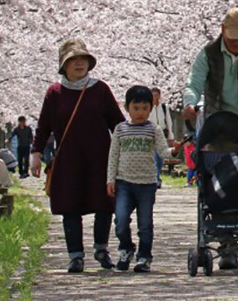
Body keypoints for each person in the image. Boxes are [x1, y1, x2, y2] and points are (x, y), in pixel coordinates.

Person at [182, 6, 238, 267]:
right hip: (219, 127)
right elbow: (194, 81)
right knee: (221, 181)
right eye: (233, 41)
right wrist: (190, 102)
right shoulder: (208, 52)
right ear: (223, 31)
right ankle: (226, 246)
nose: (237, 46)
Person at [31, 39, 125, 274]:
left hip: (99, 157)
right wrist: (35, 152)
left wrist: (131, 146)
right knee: (69, 205)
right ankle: (75, 256)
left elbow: (118, 122)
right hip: (68, 159)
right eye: (73, 60)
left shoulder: (100, 89)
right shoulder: (54, 92)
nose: (79, 63)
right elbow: (43, 126)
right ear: (64, 65)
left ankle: (101, 249)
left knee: (104, 203)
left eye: (82, 58)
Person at [107, 85, 171, 273]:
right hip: (124, 182)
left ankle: (144, 257)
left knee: (145, 223)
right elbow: (113, 156)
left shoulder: (154, 129)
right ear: (127, 108)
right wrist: (110, 180)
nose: (140, 113)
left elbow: (162, 151)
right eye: (136, 108)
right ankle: (126, 248)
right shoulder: (120, 129)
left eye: (145, 108)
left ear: (151, 109)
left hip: (146, 184)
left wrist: (173, 151)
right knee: (120, 220)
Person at [149, 88, 171, 187]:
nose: (155, 97)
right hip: (151, 134)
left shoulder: (163, 107)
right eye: (153, 95)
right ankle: (156, 178)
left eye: (157, 95)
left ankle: (157, 177)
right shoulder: (148, 107)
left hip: (162, 133)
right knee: (154, 157)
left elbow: (169, 122)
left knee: (161, 157)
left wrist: (171, 135)